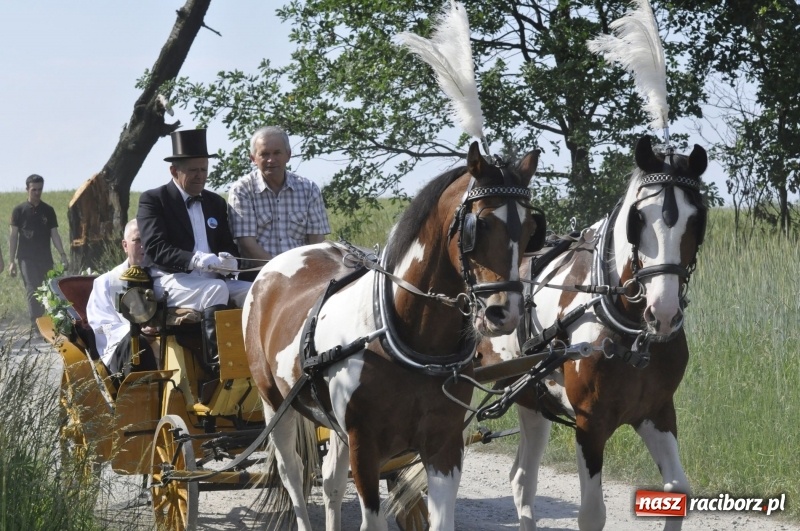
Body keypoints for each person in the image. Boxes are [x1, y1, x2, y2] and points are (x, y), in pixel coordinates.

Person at [137, 128, 251, 373]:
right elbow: (157, 250)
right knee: (216, 289)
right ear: (174, 171)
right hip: (170, 280)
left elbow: (226, 245)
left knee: (255, 291)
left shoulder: (215, 202)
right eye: (193, 171)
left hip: (211, 279)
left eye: (204, 170)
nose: (200, 176)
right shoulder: (154, 200)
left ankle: (257, 355)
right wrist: (196, 260)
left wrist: (230, 261)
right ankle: (218, 365)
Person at [227, 126, 331, 281]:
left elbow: (317, 241)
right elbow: (247, 245)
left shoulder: (309, 189)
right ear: (253, 158)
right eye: (264, 154)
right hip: (259, 276)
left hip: (303, 273)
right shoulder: (242, 190)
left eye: (277, 153)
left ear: (288, 155)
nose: (271, 160)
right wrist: (281, 270)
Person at [86, 219, 158, 385]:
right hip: (124, 352)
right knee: (137, 343)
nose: (144, 245)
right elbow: (102, 326)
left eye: (148, 239)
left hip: (163, 344)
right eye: (138, 240)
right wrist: (137, 331)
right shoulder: (106, 283)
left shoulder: (162, 279)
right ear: (125, 245)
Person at [9, 174, 69, 326]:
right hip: (25, 258)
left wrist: (62, 254)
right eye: (33, 189)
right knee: (31, 288)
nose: (37, 193)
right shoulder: (18, 211)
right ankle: (35, 324)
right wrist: (11, 262)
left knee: (47, 289)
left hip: (45, 257)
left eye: (40, 189)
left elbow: (54, 233)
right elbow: (13, 236)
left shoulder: (48, 210)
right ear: (27, 189)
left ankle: (46, 323)